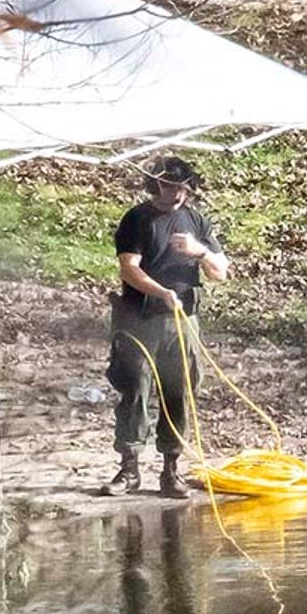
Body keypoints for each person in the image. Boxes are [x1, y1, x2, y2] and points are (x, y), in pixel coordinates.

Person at [100, 156, 230, 498]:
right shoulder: (137, 219)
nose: (177, 192)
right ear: (154, 184)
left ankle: (171, 470)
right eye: (170, 185)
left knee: (178, 391)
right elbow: (129, 268)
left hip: (183, 321)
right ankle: (128, 470)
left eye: (182, 186)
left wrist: (199, 252)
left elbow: (221, 273)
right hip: (139, 318)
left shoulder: (196, 220)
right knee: (136, 390)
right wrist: (160, 292)